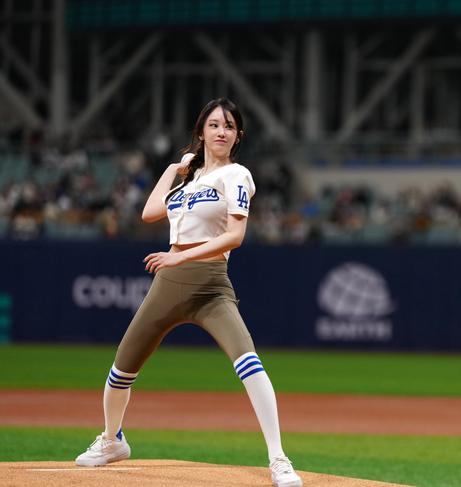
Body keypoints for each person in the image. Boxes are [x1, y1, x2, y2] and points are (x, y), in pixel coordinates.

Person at [75, 98, 303, 487]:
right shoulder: (188, 182)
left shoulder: (236, 175)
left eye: (229, 126)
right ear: (201, 133)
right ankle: (113, 440)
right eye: (213, 125)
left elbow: (235, 235)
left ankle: (279, 458)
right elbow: (149, 213)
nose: (221, 131)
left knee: (248, 361)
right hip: (168, 284)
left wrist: (179, 259)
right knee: (121, 369)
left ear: (237, 137)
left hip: (210, 283)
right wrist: (172, 169)